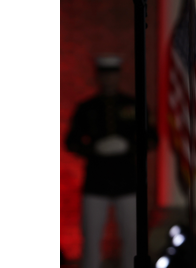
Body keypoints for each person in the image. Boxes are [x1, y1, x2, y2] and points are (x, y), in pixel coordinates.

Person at [66, 56, 157, 268]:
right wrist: (93, 149)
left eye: (112, 74)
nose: (108, 79)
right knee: (91, 240)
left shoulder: (133, 106)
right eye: (104, 74)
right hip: (96, 183)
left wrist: (129, 146)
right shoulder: (86, 108)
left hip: (127, 182)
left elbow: (152, 139)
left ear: (118, 76)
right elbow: (71, 142)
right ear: (99, 77)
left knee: (133, 240)